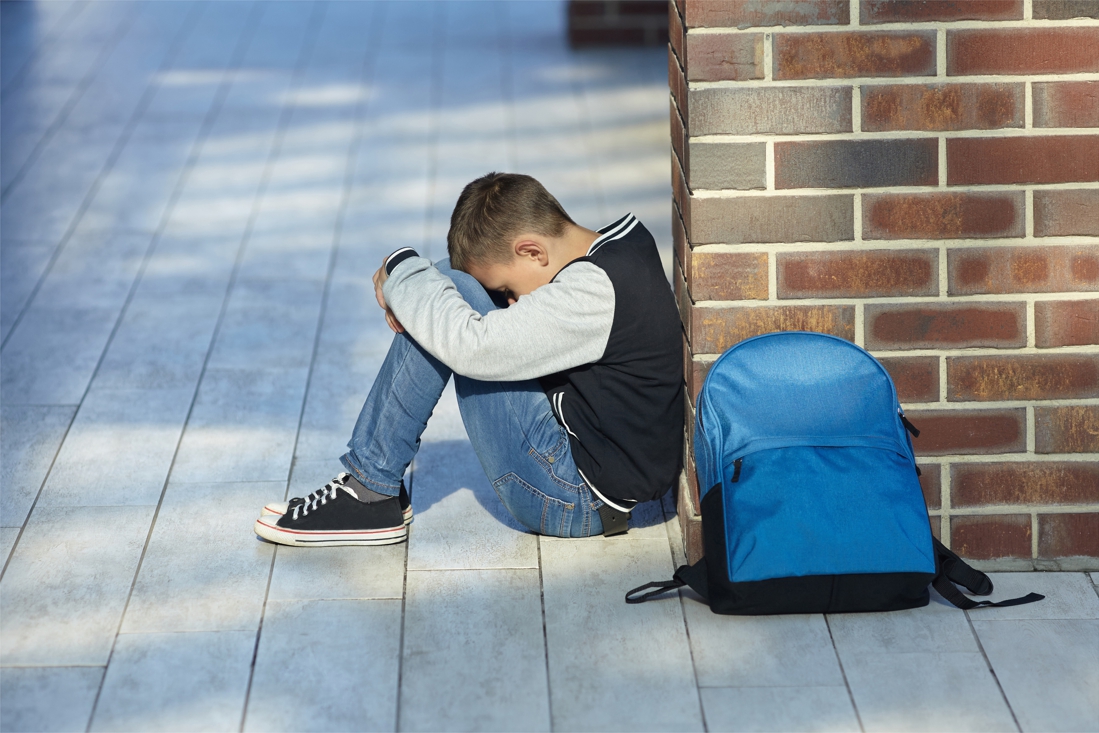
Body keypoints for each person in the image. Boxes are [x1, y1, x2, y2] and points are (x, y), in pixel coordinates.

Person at [253, 172, 683, 545]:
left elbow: (471, 347)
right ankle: (371, 486)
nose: (510, 304)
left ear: (533, 251)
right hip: (587, 475)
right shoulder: (623, 245)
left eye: (505, 290)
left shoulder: (592, 291)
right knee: (441, 291)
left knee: (447, 300)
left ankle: (369, 490)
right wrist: (418, 290)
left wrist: (400, 268)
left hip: (575, 498)